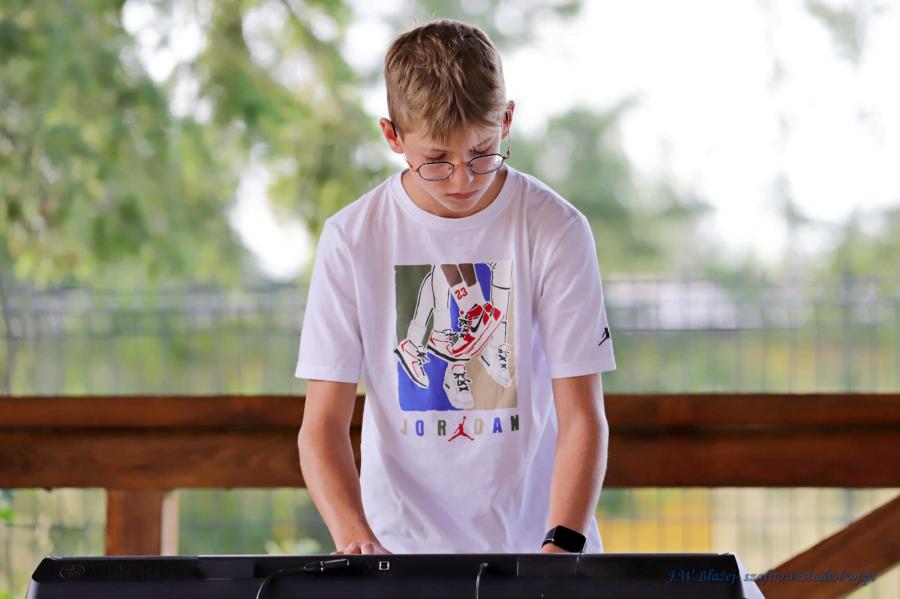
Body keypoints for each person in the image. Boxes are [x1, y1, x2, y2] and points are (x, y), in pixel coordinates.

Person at [295, 18, 616, 556]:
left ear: (506, 120)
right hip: (399, 555)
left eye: (482, 152)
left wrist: (561, 547)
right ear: (393, 136)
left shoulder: (555, 227)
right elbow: (321, 427)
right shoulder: (352, 238)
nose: (464, 179)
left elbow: (583, 417)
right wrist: (357, 542)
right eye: (437, 161)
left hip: (540, 552)